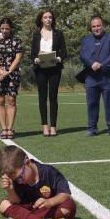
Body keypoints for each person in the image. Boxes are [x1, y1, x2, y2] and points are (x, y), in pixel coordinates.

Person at [0, 145, 76, 219]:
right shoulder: (16, 179)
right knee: (3, 204)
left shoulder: (48, 171)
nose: (19, 182)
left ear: (28, 163)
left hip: (47, 210)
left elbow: (65, 193)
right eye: (16, 180)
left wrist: (50, 202)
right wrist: (10, 190)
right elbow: (16, 201)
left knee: (69, 205)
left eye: (20, 177)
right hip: (27, 209)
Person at [79, 16, 110, 137]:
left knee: (109, 104)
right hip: (91, 78)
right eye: (94, 26)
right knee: (91, 104)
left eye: (98, 26)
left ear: (103, 26)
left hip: (107, 78)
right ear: (91, 27)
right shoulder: (86, 40)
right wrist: (92, 64)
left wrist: (101, 65)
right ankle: (92, 129)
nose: (96, 28)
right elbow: (83, 55)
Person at [30, 9, 67, 137]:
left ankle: (53, 127)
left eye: (50, 17)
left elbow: (64, 52)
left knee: (53, 98)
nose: (48, 19)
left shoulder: (58, 33)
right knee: (42, 97)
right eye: (45, 17)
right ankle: (44, 126)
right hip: (40, 69)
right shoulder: (36, 35)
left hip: (54, 69)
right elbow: (32, 54)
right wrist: (36, 59)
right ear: (41, 19)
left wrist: (58, 59)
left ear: (52, 19)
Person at [0, 17, 23, 140]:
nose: (4, 31)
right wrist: (0, 71)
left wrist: (8, 71)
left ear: (11, 29)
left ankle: (10, 128)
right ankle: (3, 128)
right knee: (0, 101)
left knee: (12, 101)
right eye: (2, 28)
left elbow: (18, 58)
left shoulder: (16, 41)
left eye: (6, 29)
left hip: (12, 74)